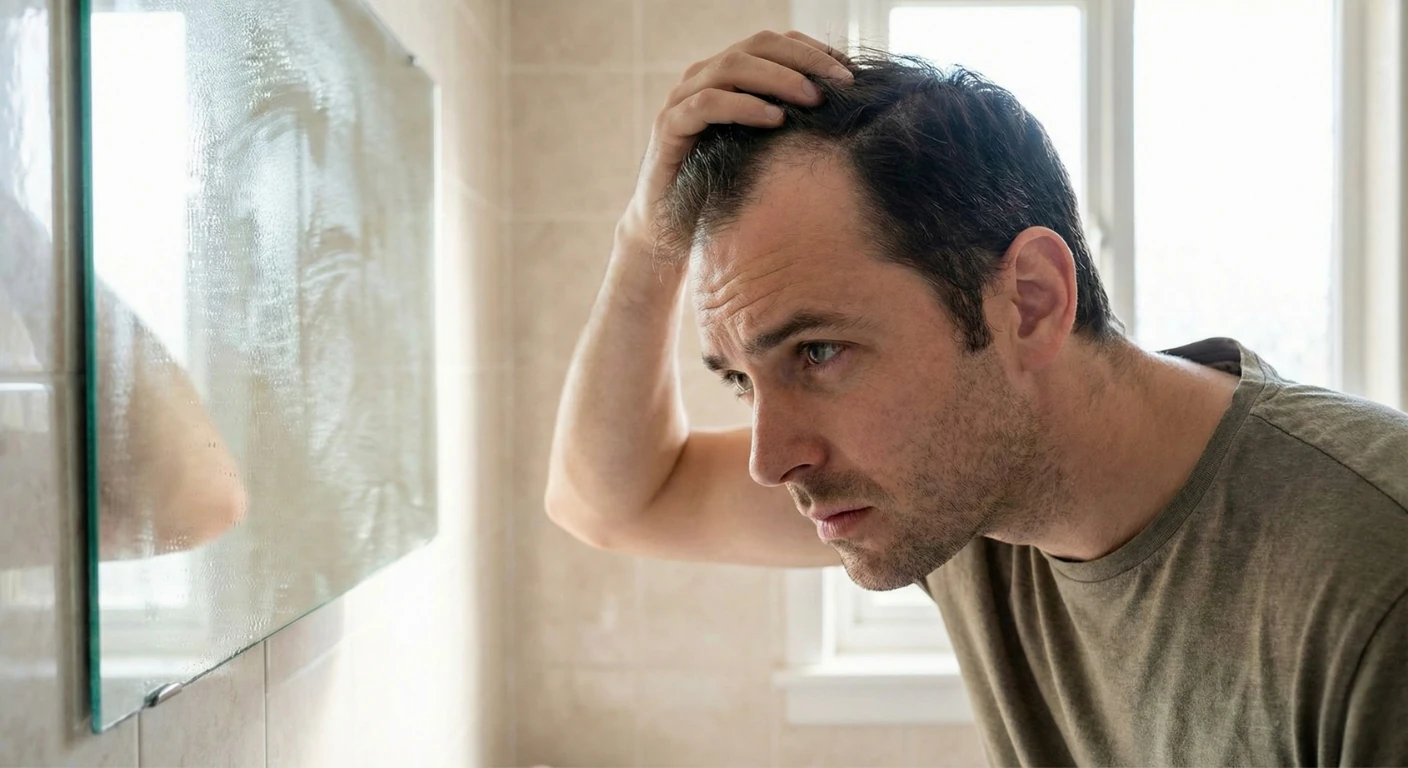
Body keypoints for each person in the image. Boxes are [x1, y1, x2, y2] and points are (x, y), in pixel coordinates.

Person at [543, 30, 1408, 765]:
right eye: (741, 380)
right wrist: (646, 238)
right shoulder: (962, 498)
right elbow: (617, 501)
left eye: (819, 352)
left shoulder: (1372, 575)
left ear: (1029, 301)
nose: (772, 461)